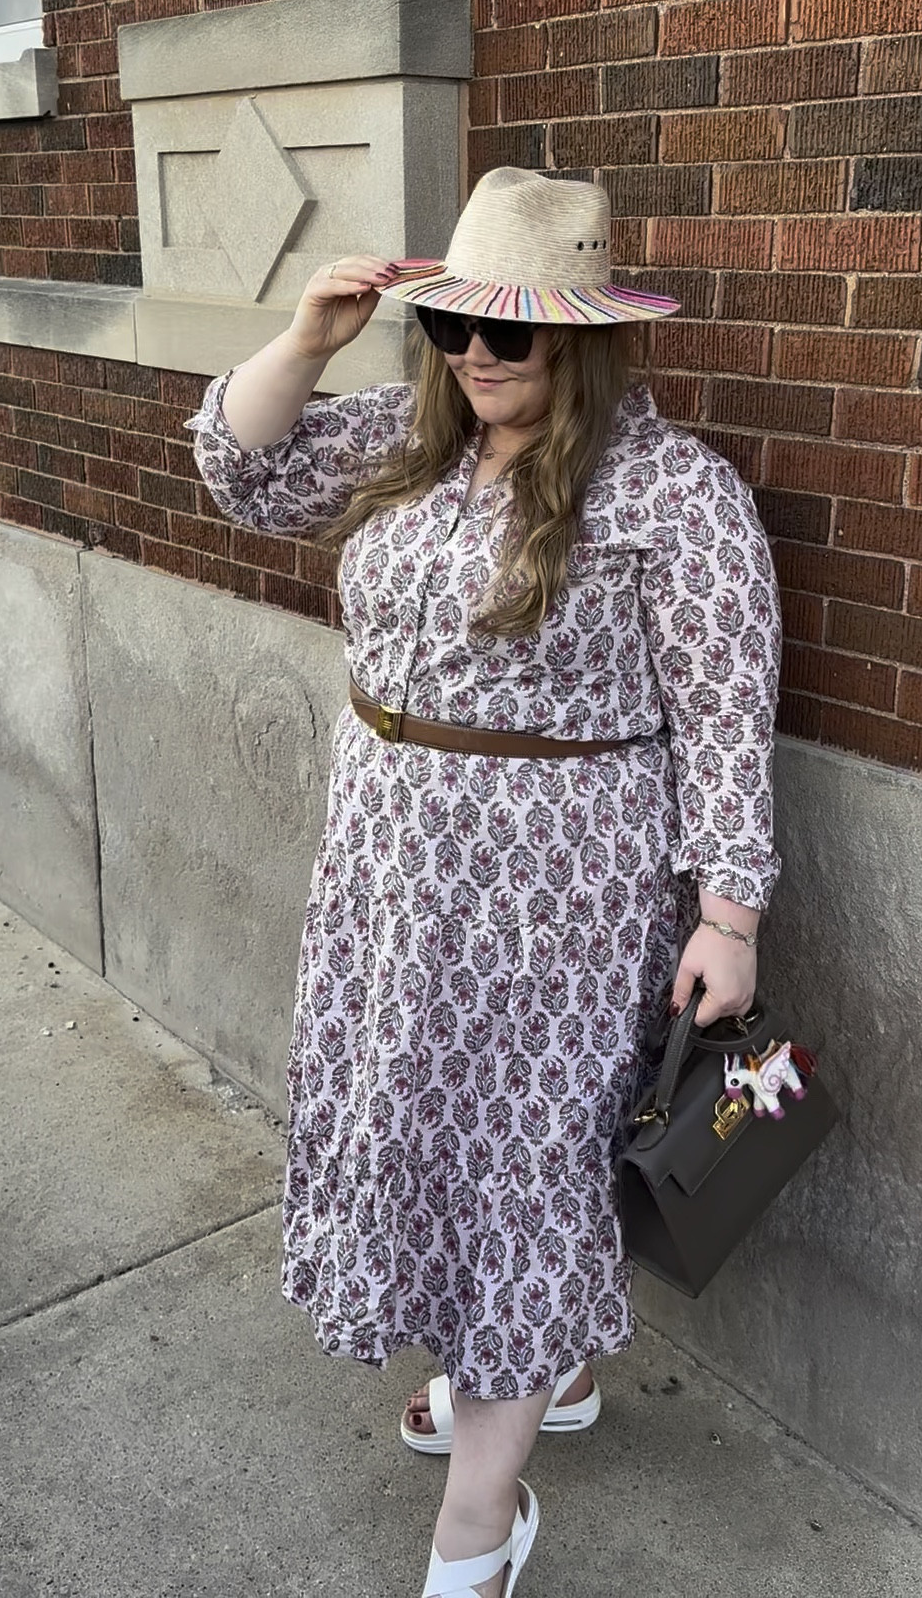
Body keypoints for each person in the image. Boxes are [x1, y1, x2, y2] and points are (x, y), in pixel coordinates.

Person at [184, 168, 782, 1598]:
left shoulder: (673, 494)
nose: (479, 357)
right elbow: (238, 467)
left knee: (523, 1169)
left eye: (513, 335)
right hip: (393, 873)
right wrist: (318, 333)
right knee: (432, 1138)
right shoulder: (411, 437)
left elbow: (725, 709)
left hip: (556, 895)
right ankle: (534, 1374)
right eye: (455, 325)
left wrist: (730, 914)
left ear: (582, 339)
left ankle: (482, 1519)